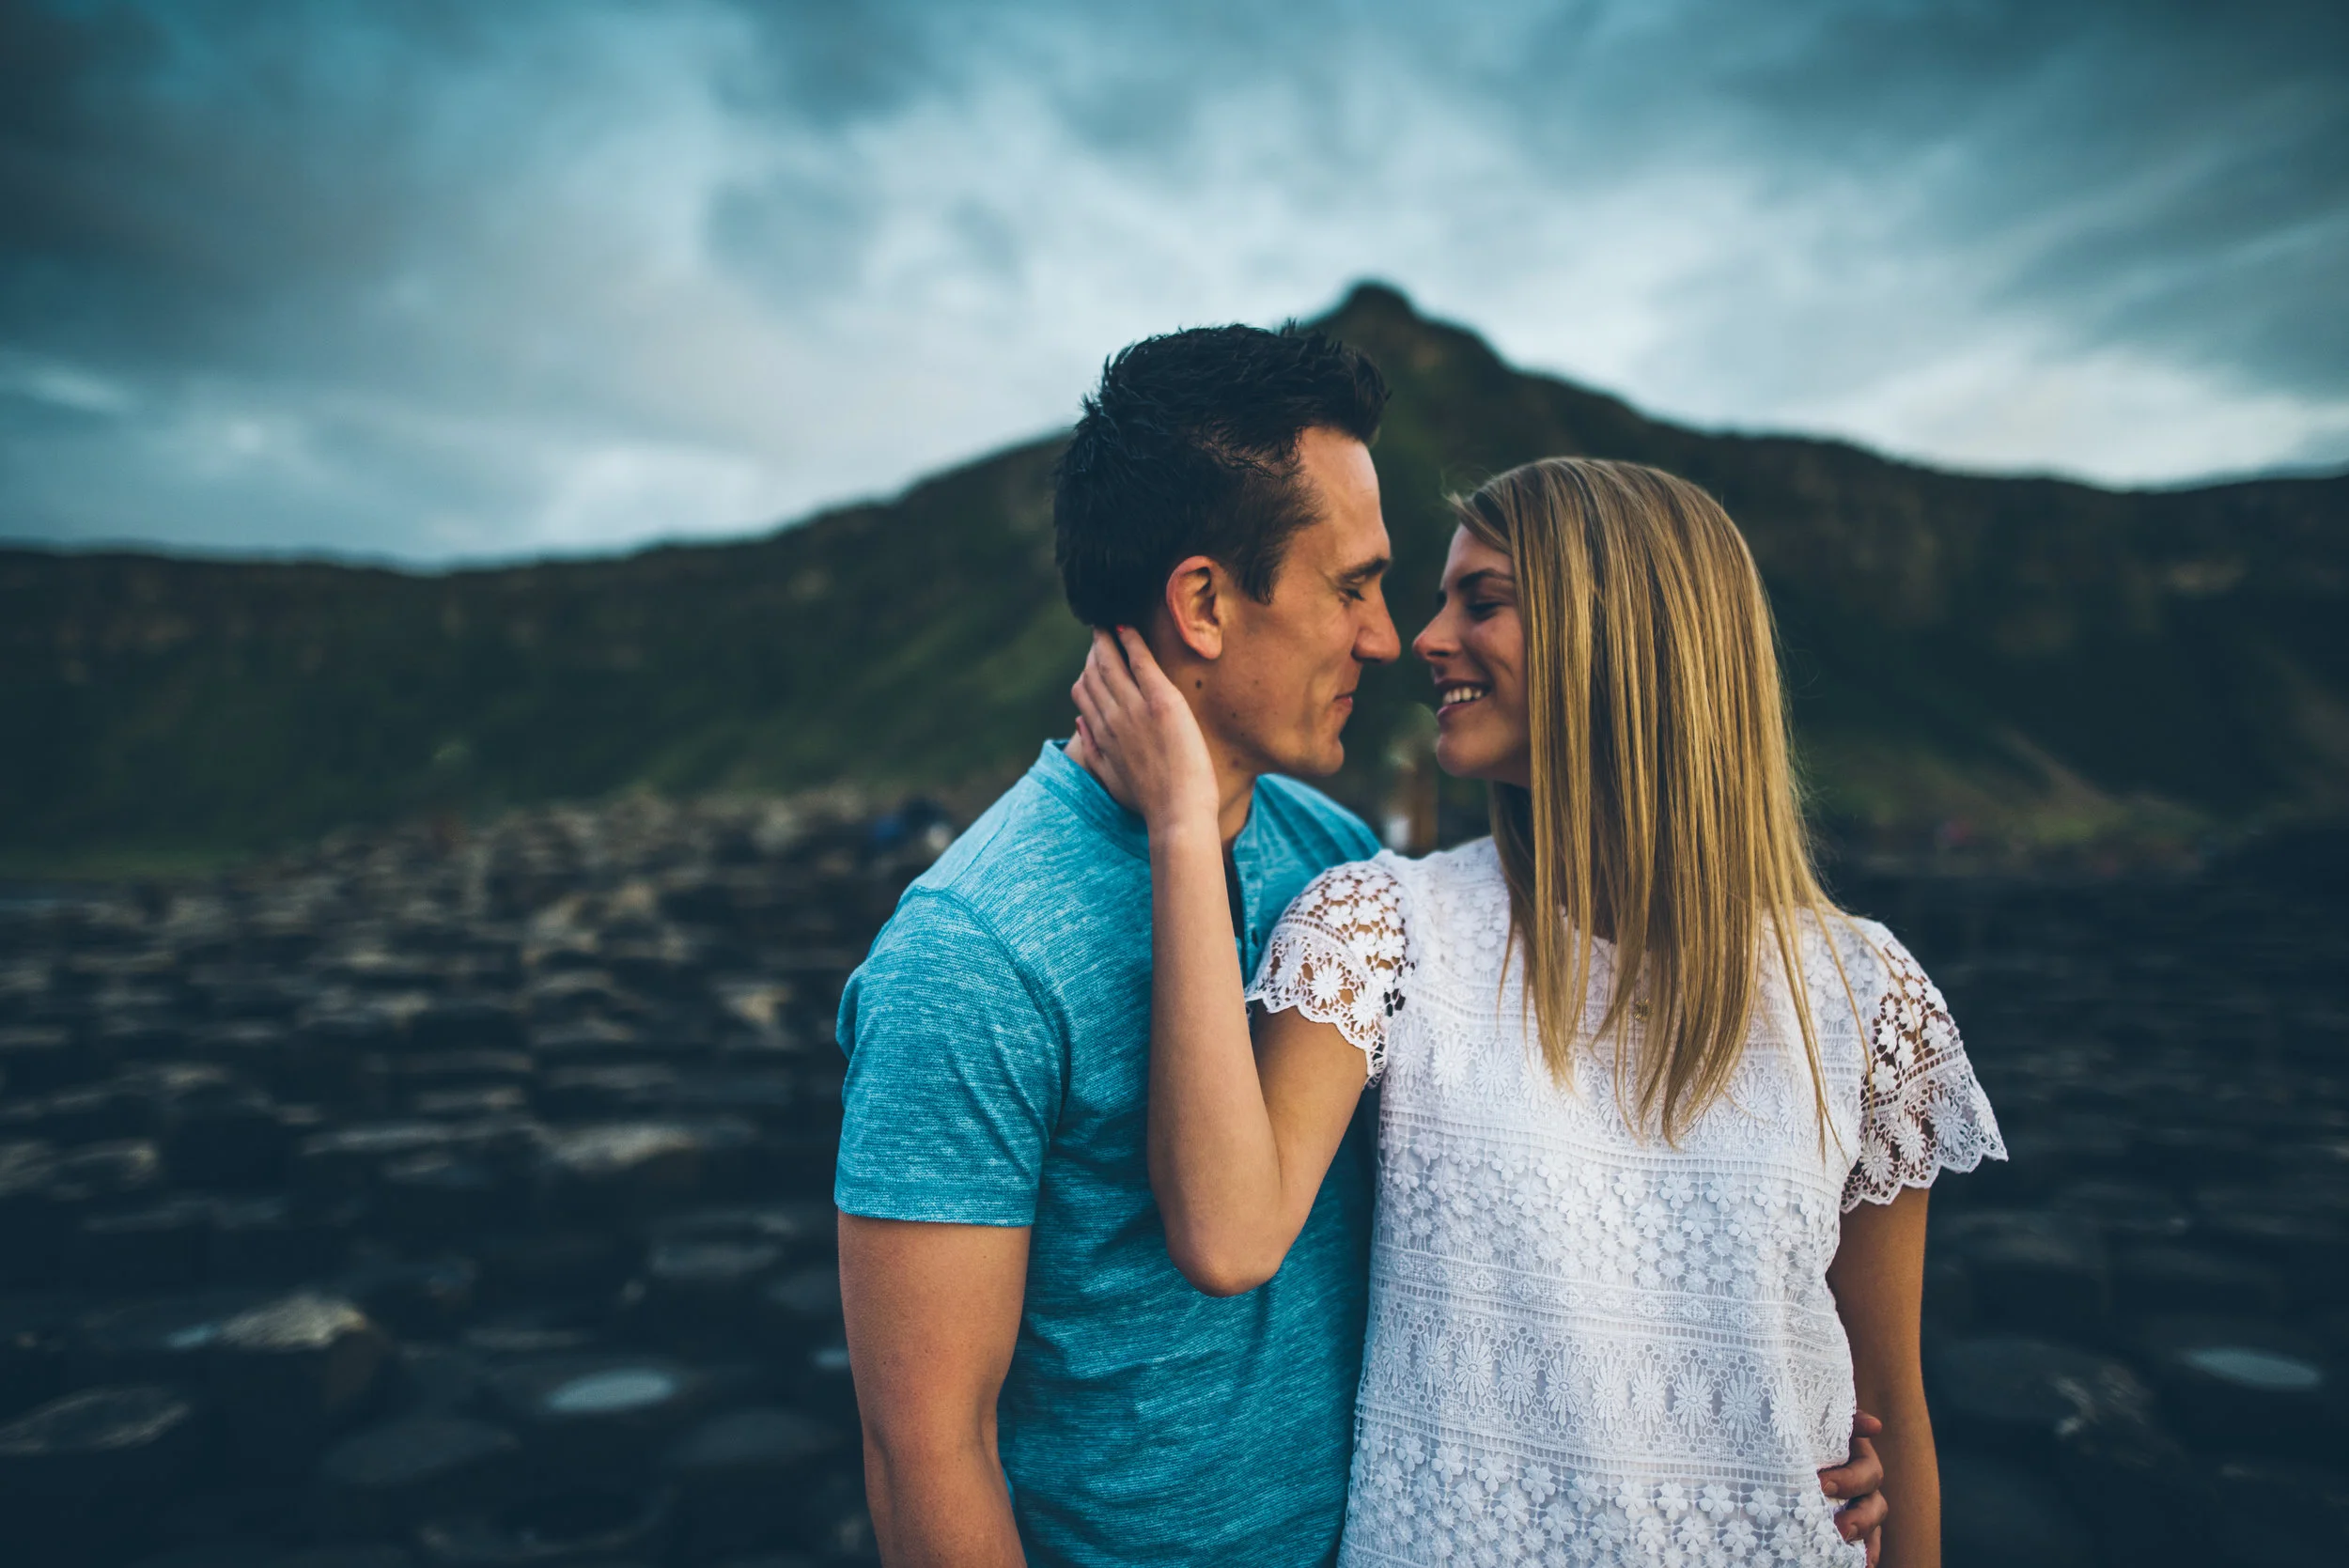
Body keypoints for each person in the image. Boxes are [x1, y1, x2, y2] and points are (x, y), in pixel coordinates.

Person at [834, 326, 1888, 1567]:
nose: (1388, 639)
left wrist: (1784, 1437)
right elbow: (924, 1449)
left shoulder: (1338, 862)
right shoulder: (969, 955)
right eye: (1351, 586)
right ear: (1205, 604)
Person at [1071, 457, 1994, 1566]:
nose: (1423, 637)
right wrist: (1182, 827)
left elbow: (1894, 1407)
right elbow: (1226, 1233)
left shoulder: (1862, 998)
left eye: (1484, 599)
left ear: (1626, 636)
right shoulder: (1383, 928)